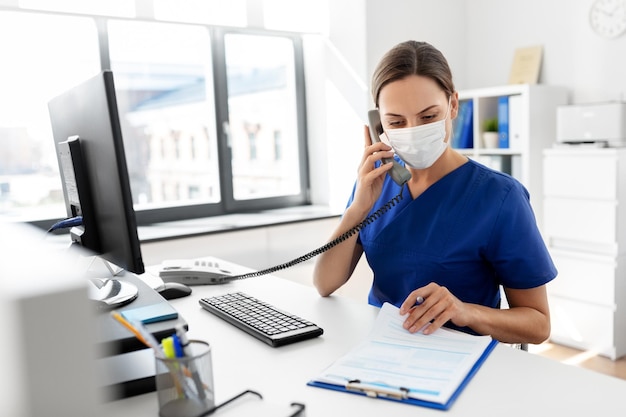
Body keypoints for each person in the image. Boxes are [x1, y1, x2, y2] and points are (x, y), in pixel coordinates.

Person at [313, 40, 557, 345]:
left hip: (460, 361)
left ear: (453, 105)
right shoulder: (375, 184)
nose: (413, 130)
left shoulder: (500, 197)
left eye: (428, 117)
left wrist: (466, 311)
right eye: (396, 121)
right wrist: (357, 209)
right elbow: (324, 284)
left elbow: (538, 324)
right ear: (378, 123)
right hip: (382, 350)